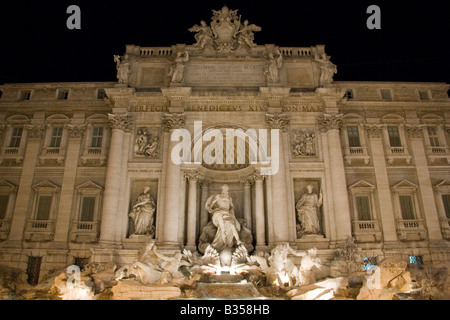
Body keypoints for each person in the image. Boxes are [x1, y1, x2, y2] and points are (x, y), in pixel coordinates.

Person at [205, 184, 242, 251]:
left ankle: (234, 241)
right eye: (225, 189)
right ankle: (223, 241)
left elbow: (231, 207)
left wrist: (233, 216)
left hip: (227, 213)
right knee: (222, 226)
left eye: (227, 189)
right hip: (219, 212)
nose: (226, 190)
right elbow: (212, 203)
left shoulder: (229, 198)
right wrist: (210, 208)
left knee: (232, 225)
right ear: (222, 189)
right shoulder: (218, 196)